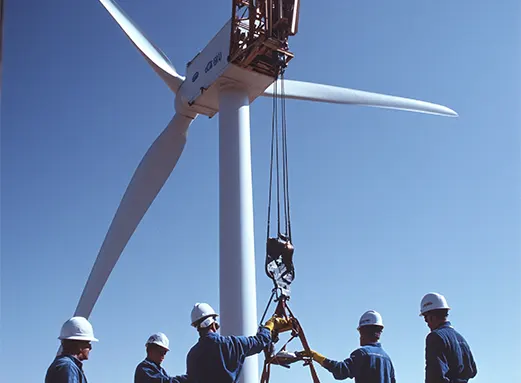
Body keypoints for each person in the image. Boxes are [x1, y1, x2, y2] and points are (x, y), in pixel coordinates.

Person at [186, 302, 292, 383]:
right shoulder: (230, 344)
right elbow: (259, 342)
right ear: (213, 324)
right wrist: (269, 325)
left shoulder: (192, 355)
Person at [297, 310, 396, 383]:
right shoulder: (387, 359)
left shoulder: (362, 354)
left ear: (363, 332)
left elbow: (341, 371)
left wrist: (315, 356)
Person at [420, 292, 477, 383]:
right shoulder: (461, 339)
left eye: (425, 318)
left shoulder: (435, 337)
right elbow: (473, 371)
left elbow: (435, 376)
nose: (427, 323)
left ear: (432, 316)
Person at [45, 316, 99, 383]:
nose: (90, 347)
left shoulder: (64, 365)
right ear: (79, 345)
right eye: (88, 343)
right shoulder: (68, 367)